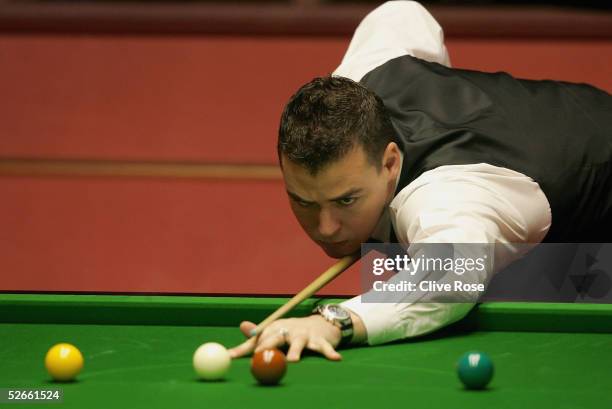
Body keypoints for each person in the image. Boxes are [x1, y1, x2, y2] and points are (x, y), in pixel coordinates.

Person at [228, 1, 612, 361]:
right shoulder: (360, 82)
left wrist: (332, 321)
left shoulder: (451, 198)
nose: (326, 228)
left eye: (346, 201)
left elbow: (450, 279)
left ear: (390, 162)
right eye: (304, 202)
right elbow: (402, 13)